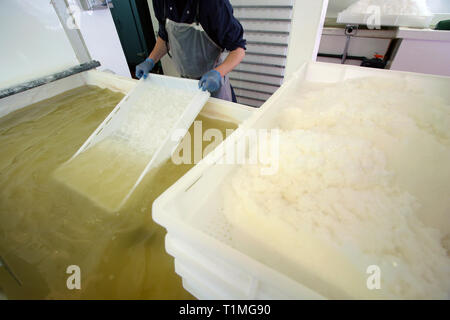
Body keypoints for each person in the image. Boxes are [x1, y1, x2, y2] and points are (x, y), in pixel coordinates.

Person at [135, 0, 246, 102]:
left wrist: (218, 73)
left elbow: (238, 49)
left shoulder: (213, 3)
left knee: (221, 122)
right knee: (197, 122)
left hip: (214, 83)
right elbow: (165, 37)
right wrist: (150, 60)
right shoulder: (161, 2)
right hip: (186, 84)